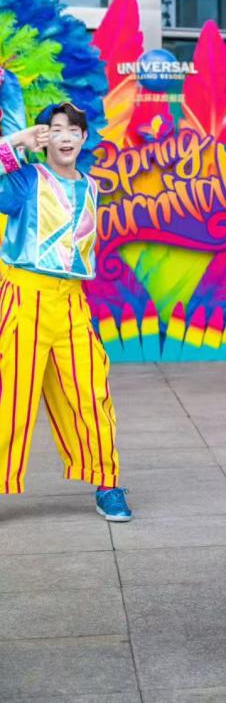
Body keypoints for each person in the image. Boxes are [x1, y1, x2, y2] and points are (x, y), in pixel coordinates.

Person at [0, 102, 131, 520]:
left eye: (73, 129)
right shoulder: (27, 180)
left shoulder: (92, 187)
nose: (66, 136)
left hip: (72, 301)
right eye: (56, 129)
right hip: (25, 296)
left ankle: (107, 482)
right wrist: (16, 142)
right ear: (45, 138)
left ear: (83, 137)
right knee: (9, 398)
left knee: (91, 392)